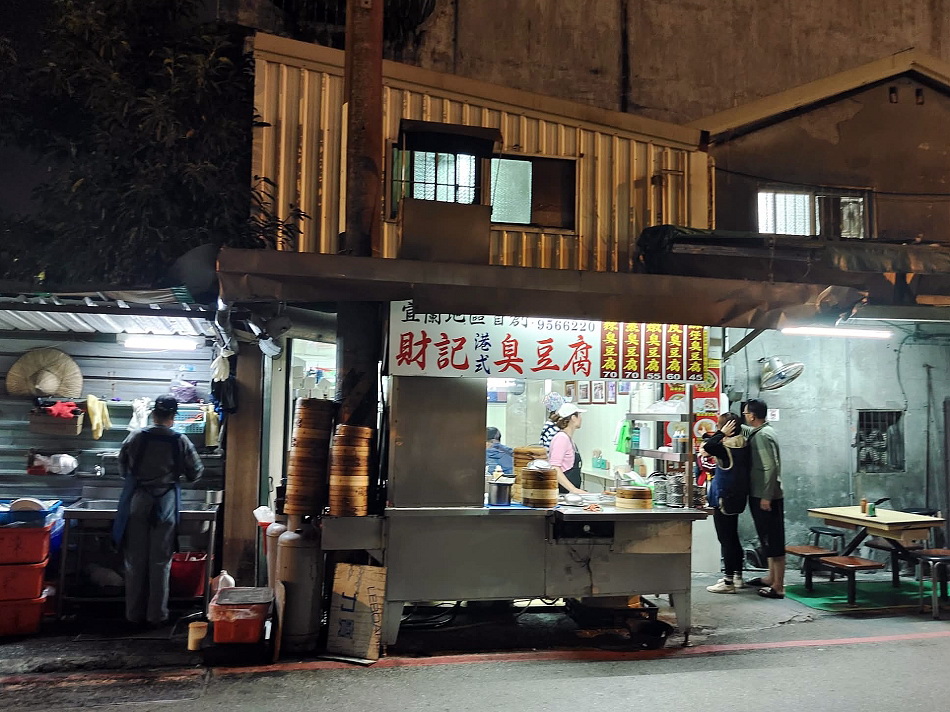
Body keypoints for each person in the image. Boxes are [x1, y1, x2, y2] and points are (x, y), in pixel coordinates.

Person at [113, 395, 204, 627]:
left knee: (134, 561)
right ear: (173, 417)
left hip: (138, 500)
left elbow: (123, 468)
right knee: (161, 562)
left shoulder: (135, 437)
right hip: (166, 502)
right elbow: (196, 472)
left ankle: (133, 614)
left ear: (153, 414)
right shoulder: (180, 440)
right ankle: (157, 615)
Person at [702, 412, 751, 594]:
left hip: (724, 497)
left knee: (725, 539)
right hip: (738, 496)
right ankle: (737, 576)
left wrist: (721, 433)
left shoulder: (725, 448)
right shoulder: (744, 444)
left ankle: (728, 581)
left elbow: (709, 445)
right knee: (733, 537)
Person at [741, 398, 786, 599]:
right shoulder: (763, 432)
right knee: (766, 539)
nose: (745, 417)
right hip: (761, 493)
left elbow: (771, 467)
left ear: (752, 415)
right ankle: (770, 578)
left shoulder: (762, 436)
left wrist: (767, 496)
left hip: (765, 496)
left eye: (745, 414)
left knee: (774, 540)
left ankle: (778, 586)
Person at [548, 403, 588, 494]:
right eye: (579, 416)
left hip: (568, 493)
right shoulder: (561, 438)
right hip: (562, 493)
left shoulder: (568, 439)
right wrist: (573, 490)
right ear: (573, 418)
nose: (581, 419)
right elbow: (555, 467)